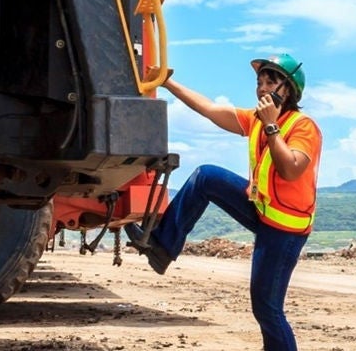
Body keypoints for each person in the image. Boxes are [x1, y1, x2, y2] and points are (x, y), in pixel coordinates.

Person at [126, 53, 321, 351]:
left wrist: (271, 127)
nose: (262, 88)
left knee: (267, 308)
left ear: (289, 89)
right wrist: (167, 83)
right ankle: (163, 245)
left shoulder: (303, 126)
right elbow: (210, 109)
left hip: (285, 229)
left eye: (271, 82)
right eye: (259, 82)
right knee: (206, 177)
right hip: (262, 209)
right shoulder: (257, 120)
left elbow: (291, 169)